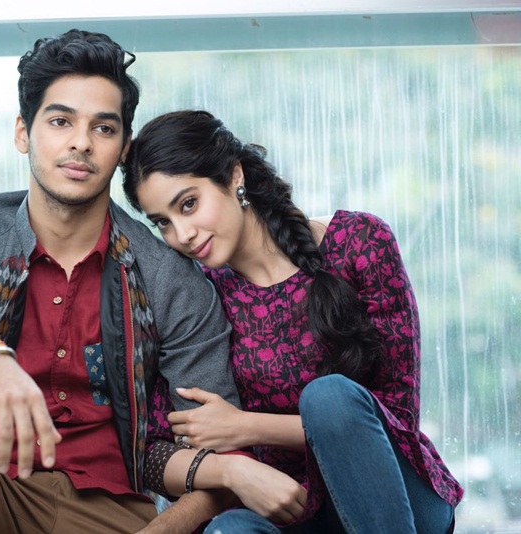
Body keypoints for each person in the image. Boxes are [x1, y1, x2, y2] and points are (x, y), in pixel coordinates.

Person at [0, 33, 242, 534]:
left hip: (110, 513)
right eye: (60, 121)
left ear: (123, 148)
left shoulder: (168, 278)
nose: (81, 142)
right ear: (23, 132)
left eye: (103, 127)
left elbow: (217, 459)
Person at [122, 110, 464, 533]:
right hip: (293, 512)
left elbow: (397, 418)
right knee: (231, 530)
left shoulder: (360, 243)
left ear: (234, 176)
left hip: (400, 500)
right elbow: (151, 451)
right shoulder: (201, 299)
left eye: (188, 204)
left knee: (329, 396)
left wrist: (246, 427)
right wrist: (233, 472)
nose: (182, 234)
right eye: (163, 222)